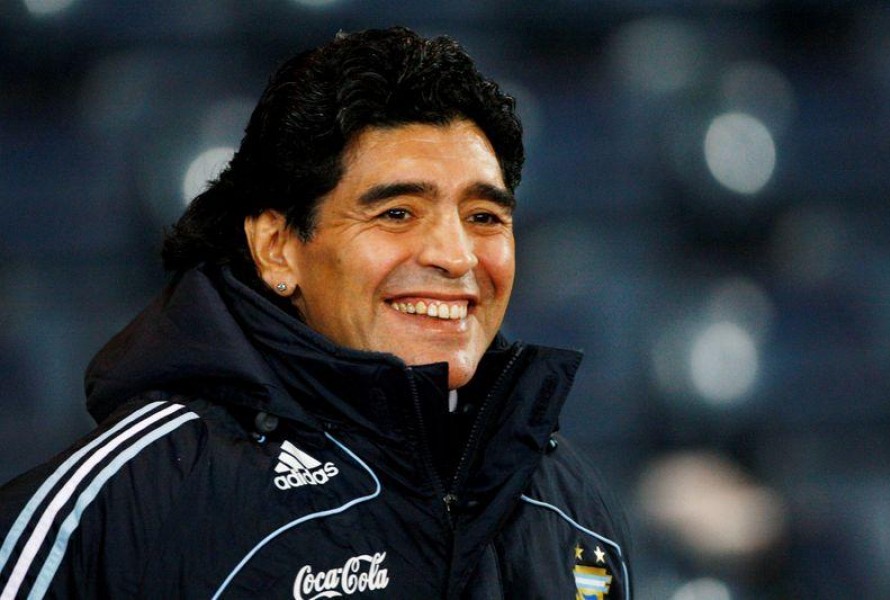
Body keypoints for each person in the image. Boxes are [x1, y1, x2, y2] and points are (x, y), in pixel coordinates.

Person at [0, 27, 630, 599]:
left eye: (484, 218)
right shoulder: (120, 509)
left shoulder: (571, 502)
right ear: (277, 247)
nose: (456, 255)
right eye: (397, 213)